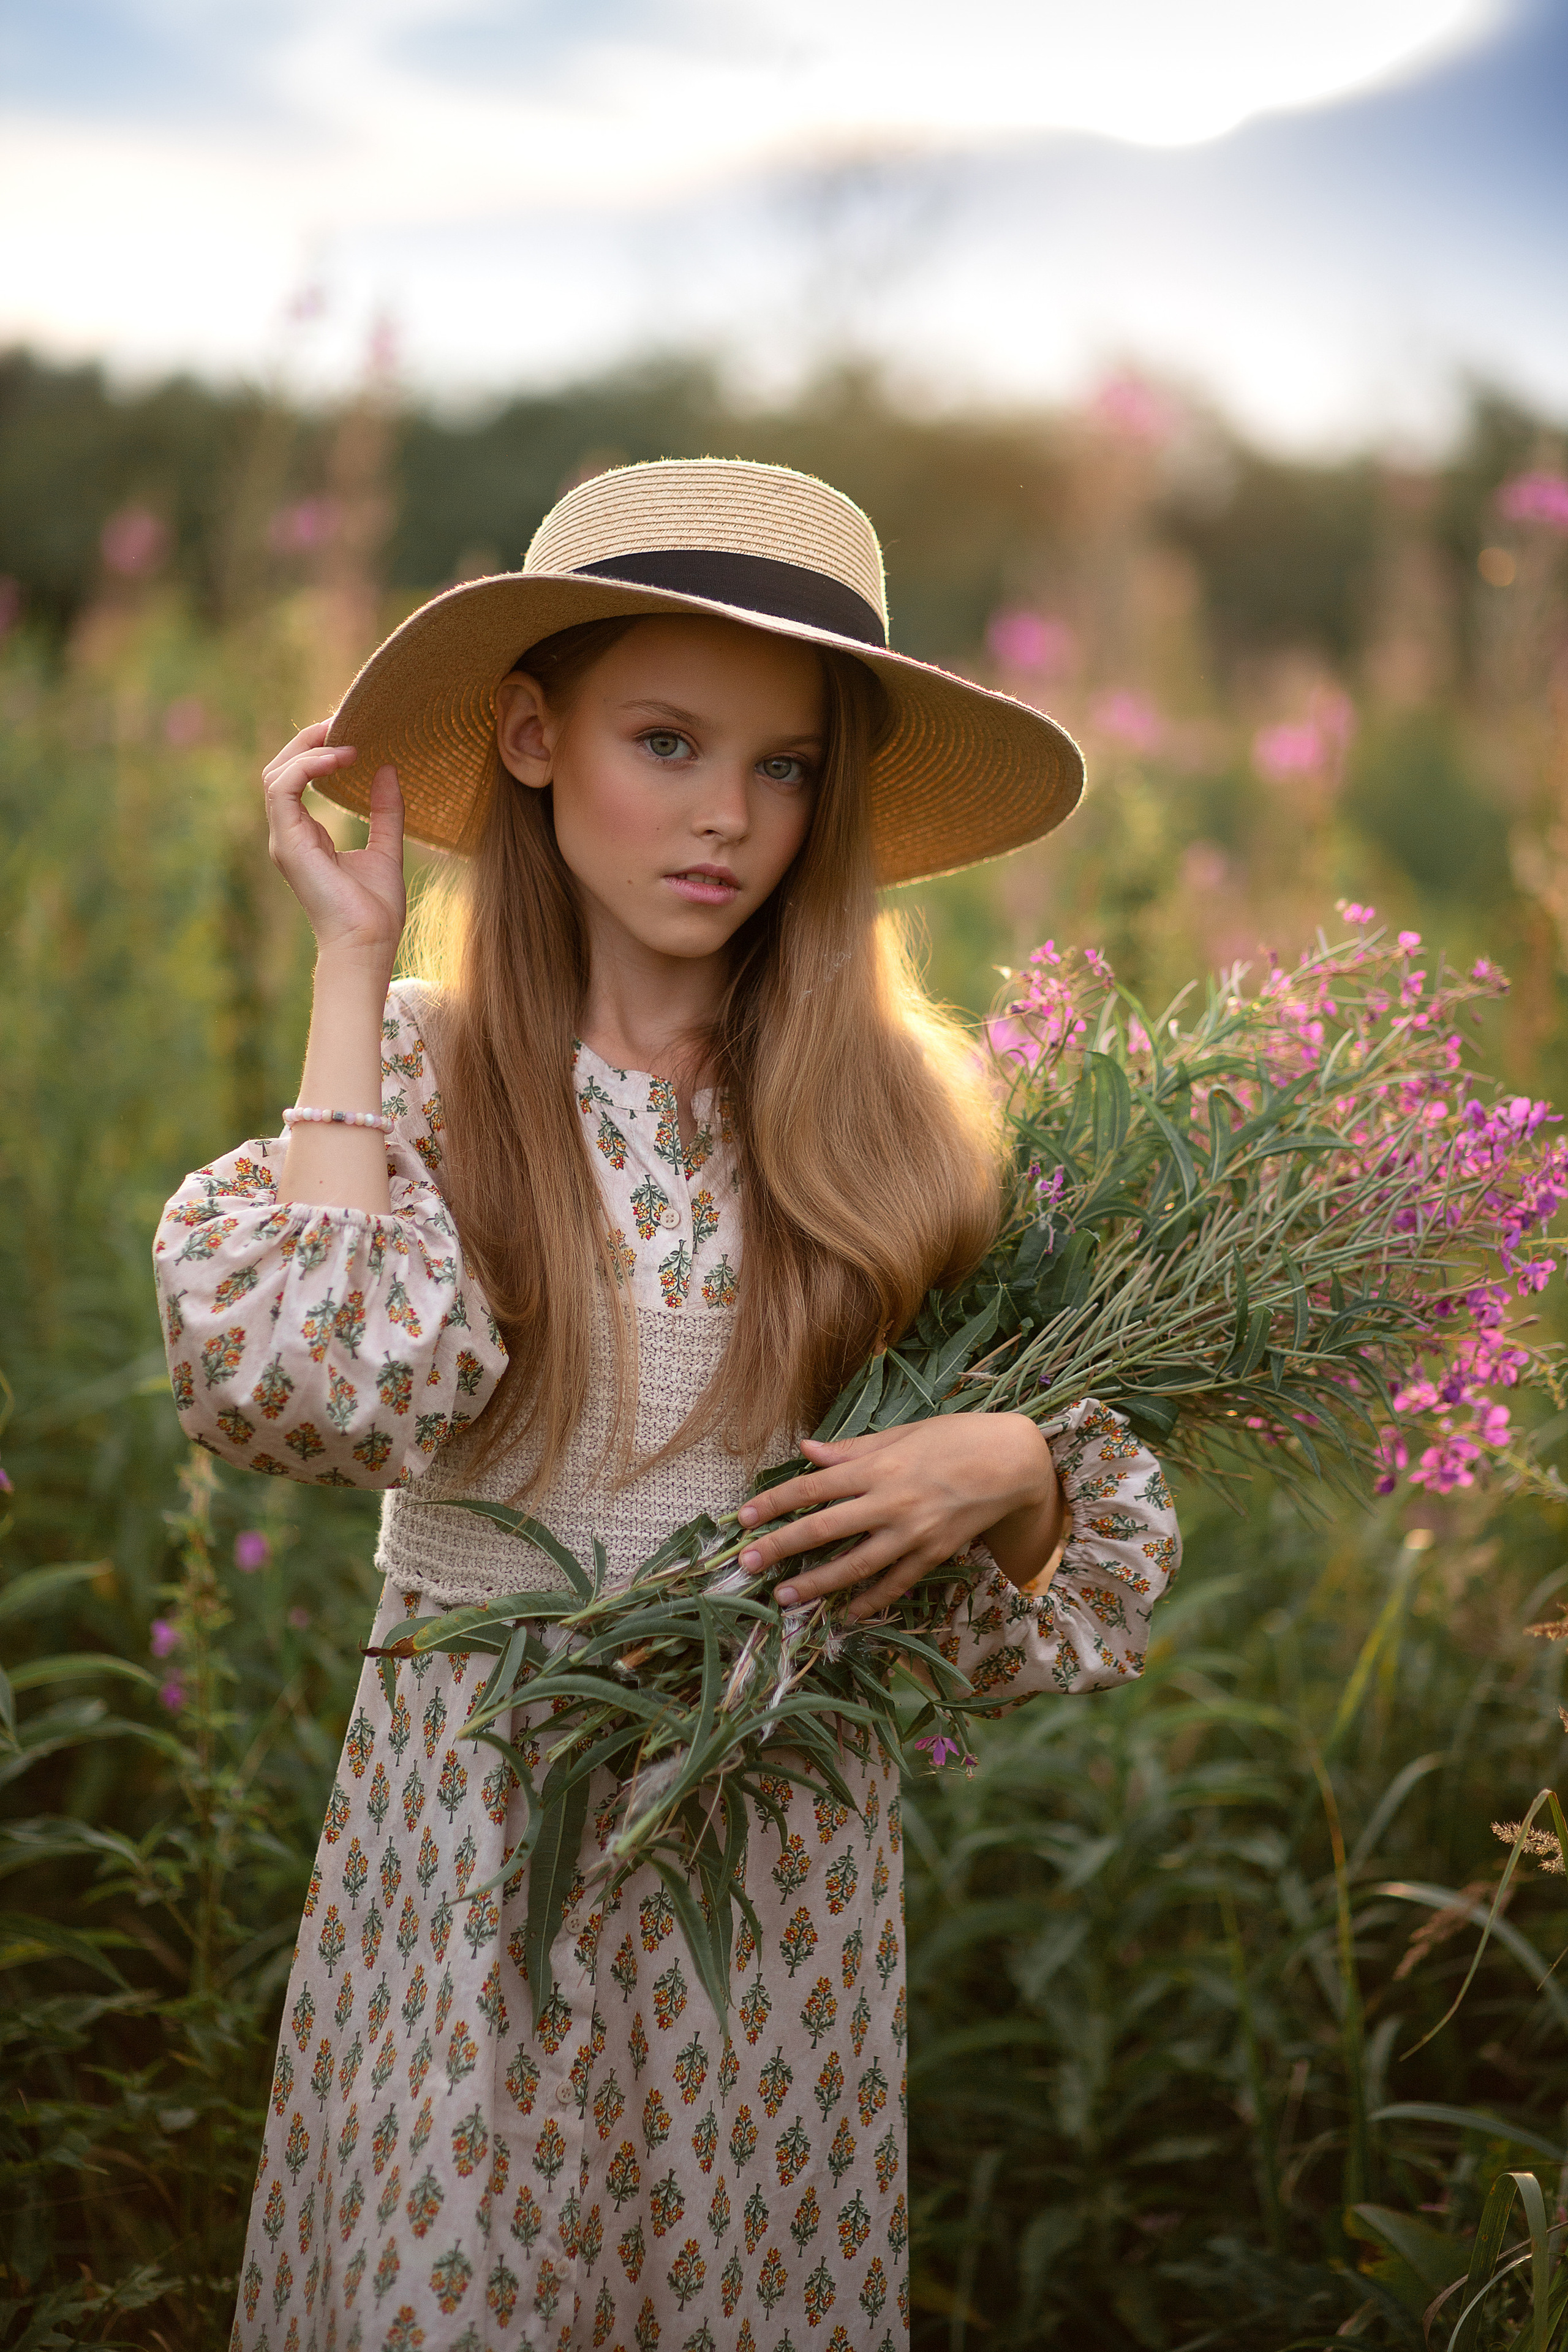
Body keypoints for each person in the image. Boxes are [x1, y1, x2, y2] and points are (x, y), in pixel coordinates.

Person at [154, 458, 1180, 2352]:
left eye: (785, 766)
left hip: (766, 1881)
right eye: (668, 740)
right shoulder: (418, 1084)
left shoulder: (898, 1123)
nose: (727, 817)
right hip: (475, 1853)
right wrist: (352, 958)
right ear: (532, 739)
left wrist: (1015, 1468)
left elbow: (1077, 1568)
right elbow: (300, 1389)